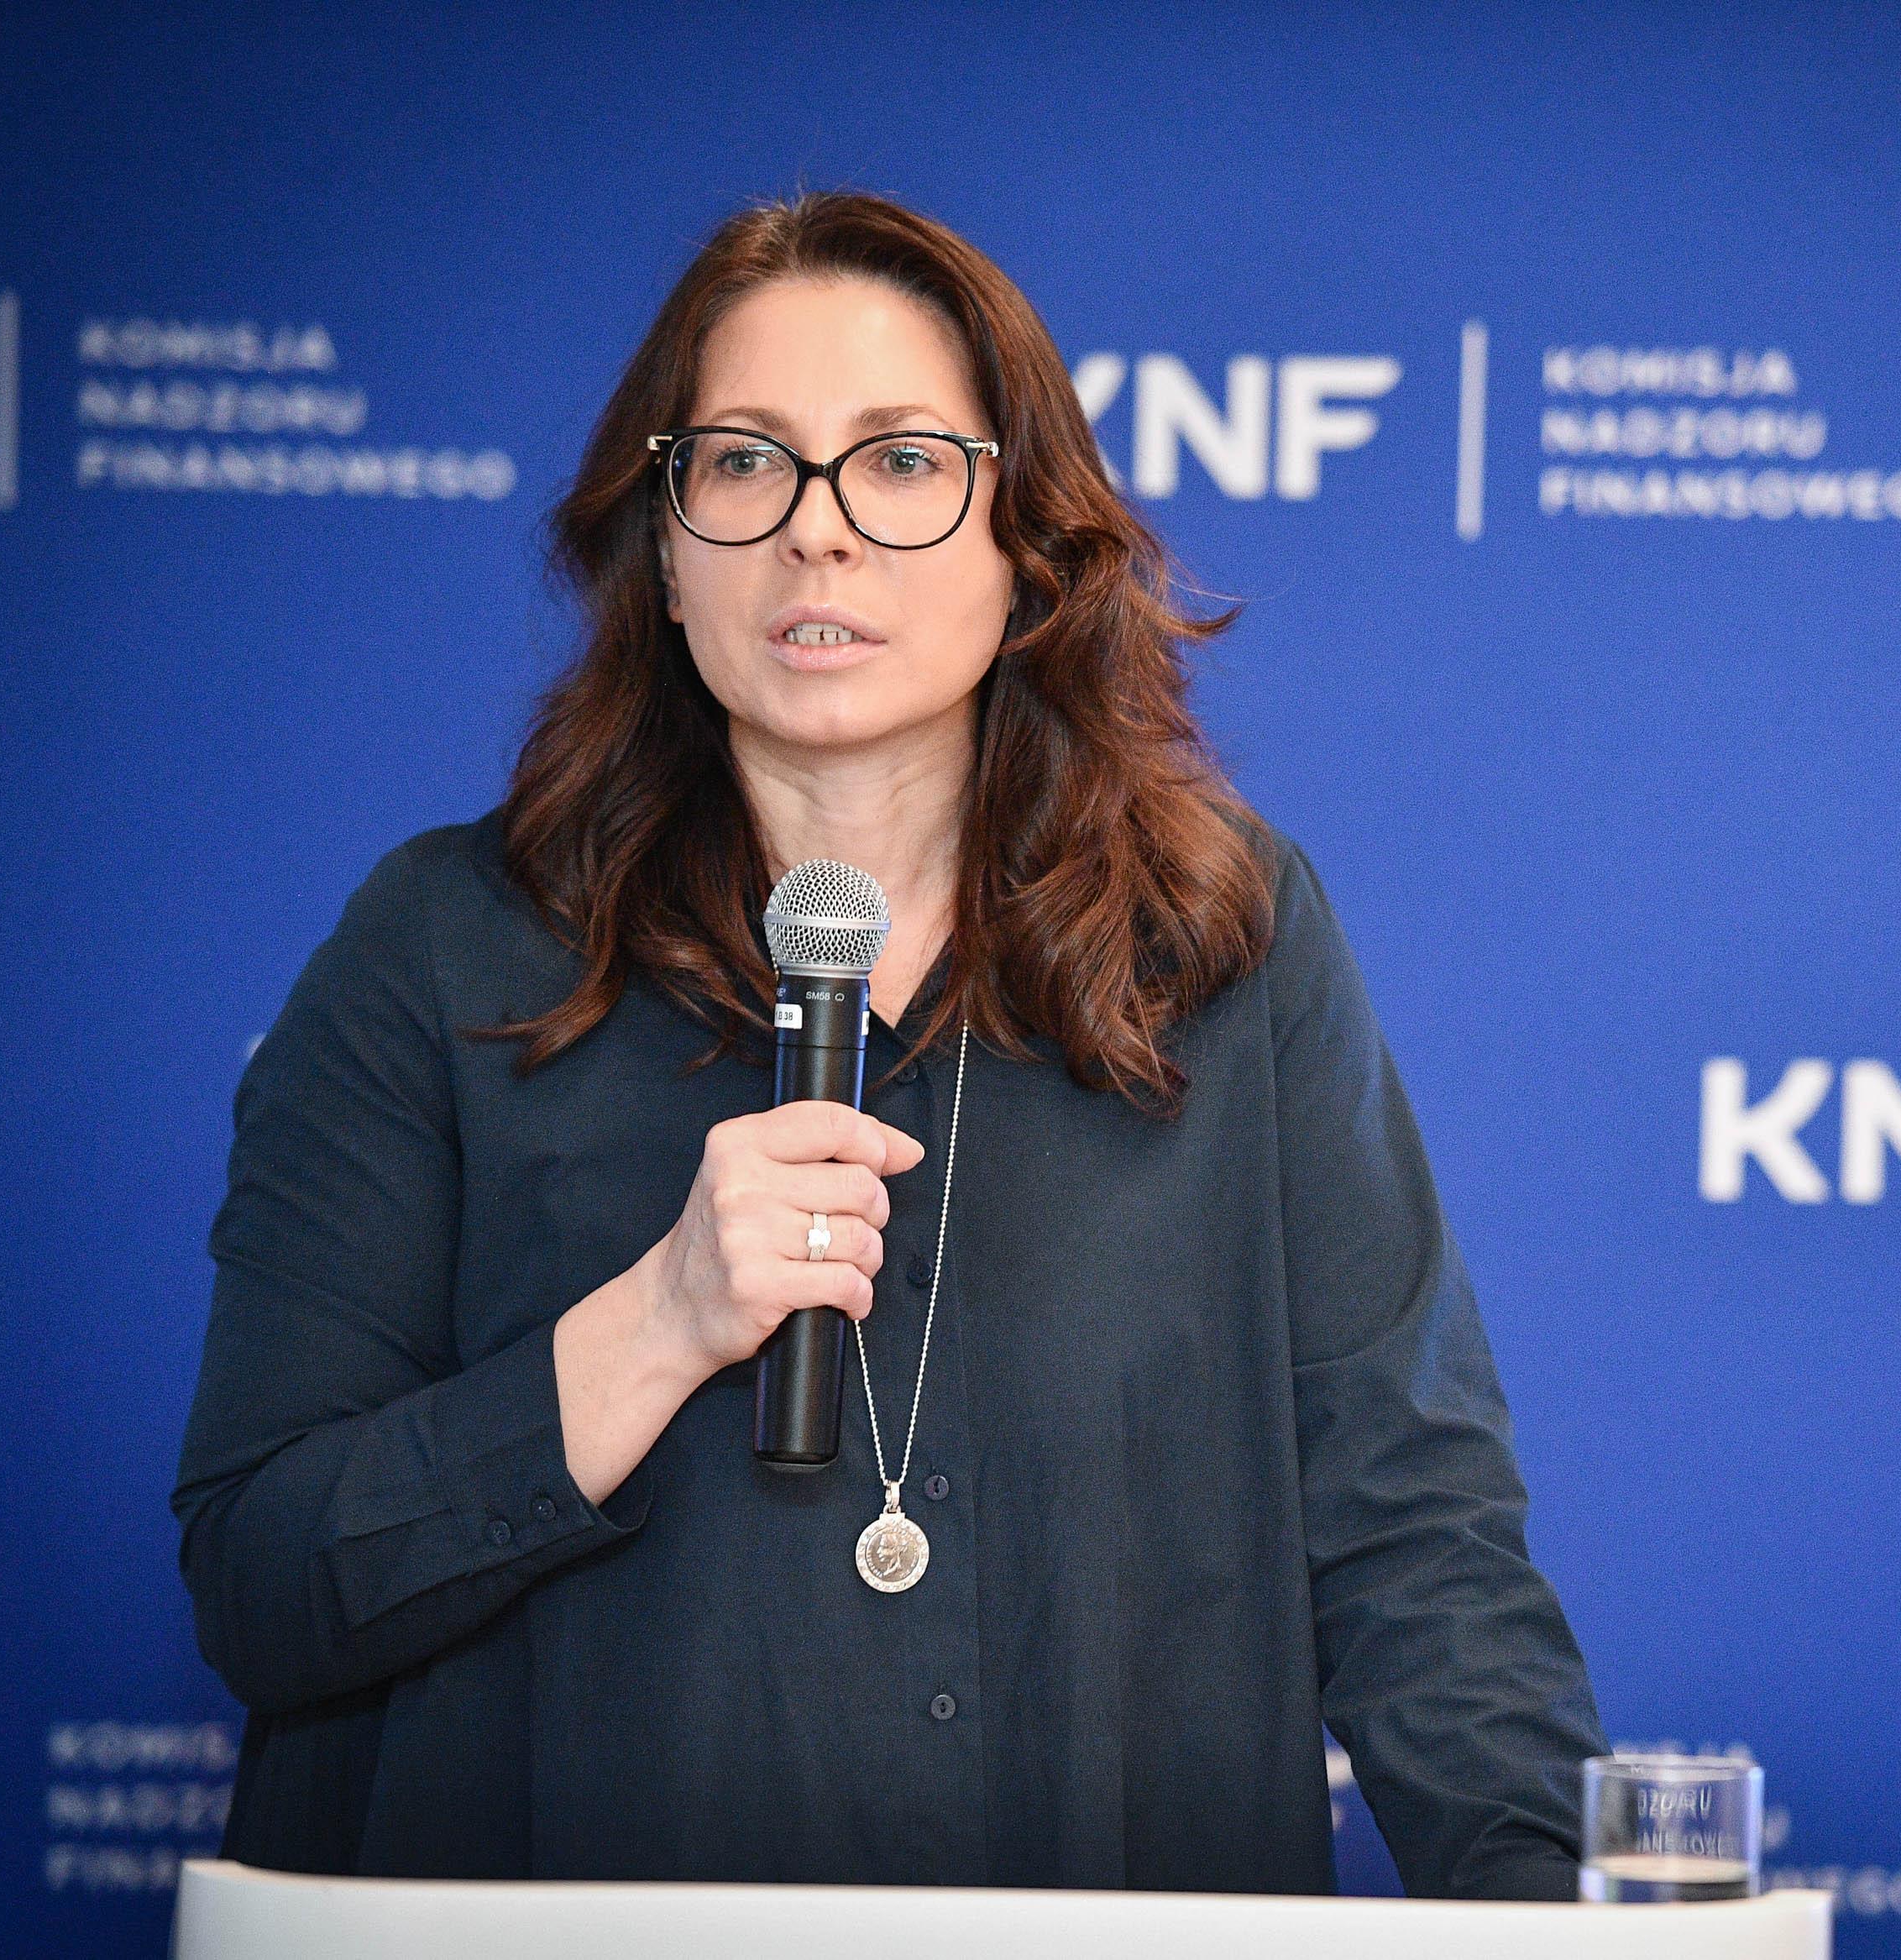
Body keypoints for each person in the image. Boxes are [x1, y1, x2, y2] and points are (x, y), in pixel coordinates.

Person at [170, 189, 1605, 1899]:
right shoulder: (443, 950)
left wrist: (1549, 1914)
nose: (818, 535)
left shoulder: (1221, 937)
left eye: (904, 462)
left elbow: (1415, 1528)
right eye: (745, 463)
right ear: (667, 549)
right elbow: (263, 1581)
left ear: (1026, 541)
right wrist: (654, 1325)